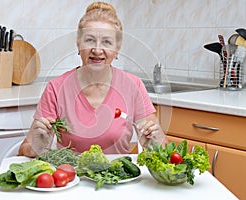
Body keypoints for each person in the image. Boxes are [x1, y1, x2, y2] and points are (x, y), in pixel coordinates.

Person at [18, 1, 167, 157]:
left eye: (106, 42)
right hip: (70, 178)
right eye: (89, 40)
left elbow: (163, 147)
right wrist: (37, 146)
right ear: (78, 44)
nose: (97, 50)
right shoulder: (56, 88)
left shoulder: (133, 85)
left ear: (117, 48)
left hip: (117, 178)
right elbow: (23, 152)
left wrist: (155, 142)